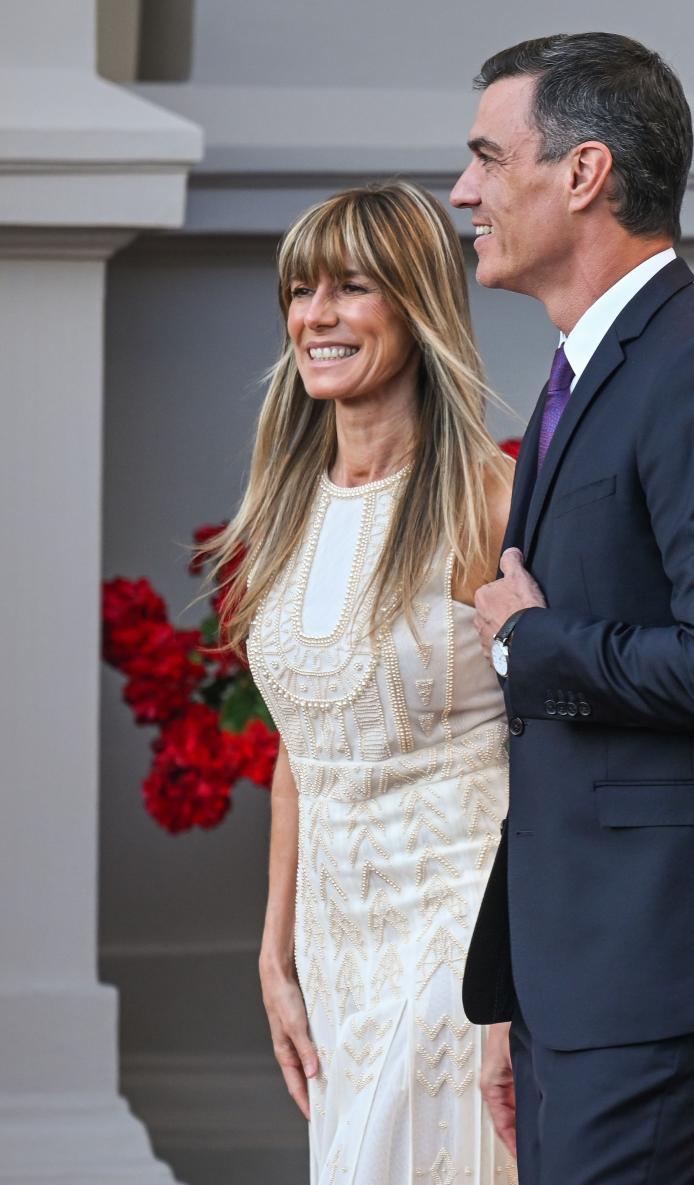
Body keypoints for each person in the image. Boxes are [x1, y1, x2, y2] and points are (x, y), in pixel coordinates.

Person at [450, 32, 694, 1185]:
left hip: (660, 958)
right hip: (590, 961)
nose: (463, 190)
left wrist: (530, 641)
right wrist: (532, 993)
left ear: (583, 174)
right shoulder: (592, 367)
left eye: (485, 156)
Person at [207, 181, 517, 1183]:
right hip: (335, 939)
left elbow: (561, 740)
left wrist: (520, 976)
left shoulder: (491, 501)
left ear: (418, 305)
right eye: (301, 291)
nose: (316, 317)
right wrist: (275, 955)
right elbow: (299, 754)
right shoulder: (283, 513)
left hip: (464, 927)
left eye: (351, 288)